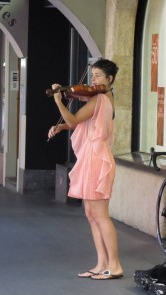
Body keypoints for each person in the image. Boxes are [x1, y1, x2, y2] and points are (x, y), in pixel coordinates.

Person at [48, 59, 123, 280]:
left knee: (100, 215)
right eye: (93, 75)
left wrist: (58, 100)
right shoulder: (100, 99)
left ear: (110, 79)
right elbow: (82, 123)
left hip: (97, 159)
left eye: (99, 75)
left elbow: (72, 120)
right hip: (91, 158)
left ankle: (115, 265)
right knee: (91, 214)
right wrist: (61, 126)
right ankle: (102, 263)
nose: (94, 79)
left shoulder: (100, 98)